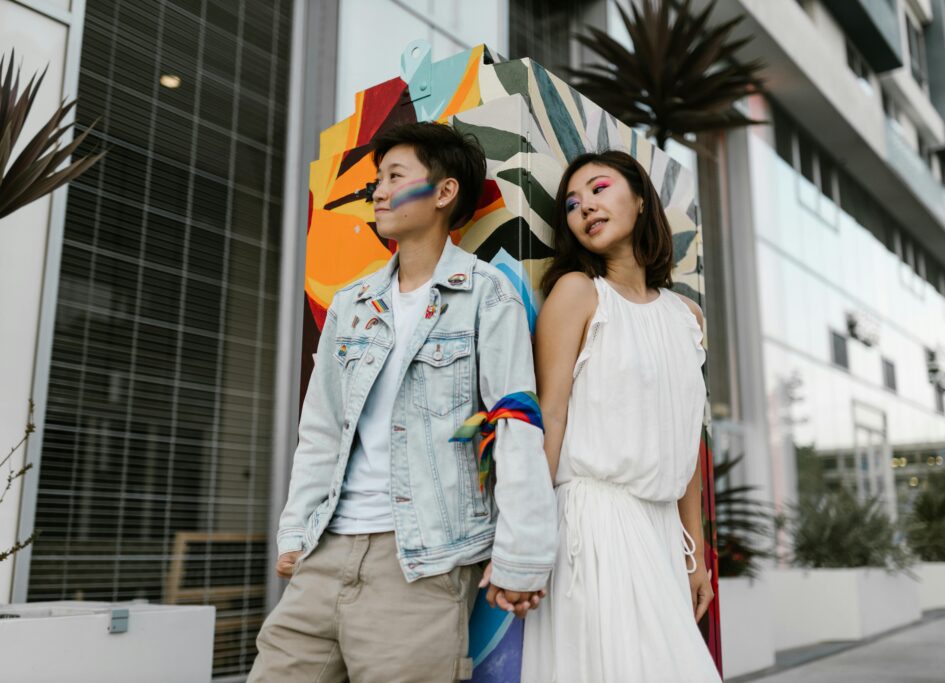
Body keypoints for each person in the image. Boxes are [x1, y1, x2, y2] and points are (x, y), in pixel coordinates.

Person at [249, 122, 557, 683]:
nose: (379, 192)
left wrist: (523, 554)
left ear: (444, 193)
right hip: (326, 553)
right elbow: (320, 428)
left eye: (395, 177)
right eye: (376, 180)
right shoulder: (352, 303)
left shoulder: (487, 295)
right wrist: (296, 531)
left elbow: (515, 424)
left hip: (422, 562)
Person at [521, 150, 722, 682]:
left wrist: (695, 555)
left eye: (599, 188)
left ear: (639, 198)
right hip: (594, 520)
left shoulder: (688, 317)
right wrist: (529, 533)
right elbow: (552, 417)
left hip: (658, 527)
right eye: (571, 203)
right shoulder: (578, 294)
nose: (584, 206)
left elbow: (686, 447)